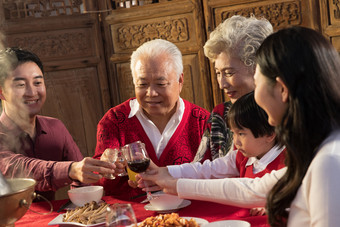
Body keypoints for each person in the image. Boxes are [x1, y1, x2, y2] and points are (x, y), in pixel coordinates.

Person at [140, 26, 340, 226]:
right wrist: (171, 181)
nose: (222, 84)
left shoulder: (328, 161)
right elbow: (254, 188)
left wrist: (172, 182)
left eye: (257, 79)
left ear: (282, 89)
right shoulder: (318, 147)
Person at [93, 39, 210, 200]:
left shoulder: (202, 121)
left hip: (192, 215)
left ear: (180, 81)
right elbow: (103, 183)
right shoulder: (114, 121)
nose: (151, 93)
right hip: (133, 217)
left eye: (160, 84)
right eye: (142, 84)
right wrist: (106, 168)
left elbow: (216, 178)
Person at [139, 91, 286, 216]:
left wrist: (276, 205)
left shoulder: (288, 161)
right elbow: (206, 170)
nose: (236, 142)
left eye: (241, 134)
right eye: (233, 134)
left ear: (269, 134)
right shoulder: (241, 157)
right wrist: (165, 171)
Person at [0, 47, 115, 201]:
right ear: (1, 92)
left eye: (37, 82)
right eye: (20, 85)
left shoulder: (55, 127)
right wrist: (71, 169)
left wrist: (104, 169)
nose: (32, 92)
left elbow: (82, 180)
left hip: (51, 220)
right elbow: (22, 169)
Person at [193, 15, 273, 161]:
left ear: (257, 68)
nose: (222, 84)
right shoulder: (220, 115)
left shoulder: (279, 113)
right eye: (218, 73)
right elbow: (199, 169)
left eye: (229, 73)